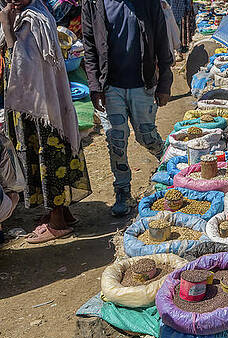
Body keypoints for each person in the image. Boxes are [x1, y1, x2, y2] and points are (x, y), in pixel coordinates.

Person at [0, 0, 91, 243]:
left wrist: (7, 29)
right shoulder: (35, 12)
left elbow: (20, 66)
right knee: (51, 153)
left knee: (47, 154)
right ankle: (61, 213)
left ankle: (57, 222)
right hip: (37, 104)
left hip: (38, 107)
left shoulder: (32, 20)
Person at [82, 0, 174, 216]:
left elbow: (162, 40)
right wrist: (95, 86)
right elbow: (89, 46)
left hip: (142, 84)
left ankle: (171, 164)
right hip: (110, 86)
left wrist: (165, 83)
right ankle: (122, 191)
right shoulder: (93, 4)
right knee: (116, 139)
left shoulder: (148, 4)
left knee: (146, 136)